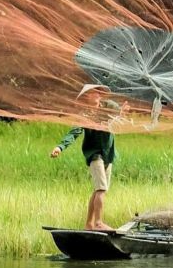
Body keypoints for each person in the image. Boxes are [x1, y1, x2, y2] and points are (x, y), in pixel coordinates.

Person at [50, 84, 125, 231]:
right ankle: (98, 223)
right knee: (101, 189)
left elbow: (117, 114)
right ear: (86, 97)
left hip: (108, 154)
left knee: (99, 190)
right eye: (92, 93)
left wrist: (122, 112)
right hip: (95, 155)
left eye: (98, 92)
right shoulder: (84, 115)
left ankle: (89, 224)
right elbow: (74, 133)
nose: (96, 95)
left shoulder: (108, 106)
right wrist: (60, 147)